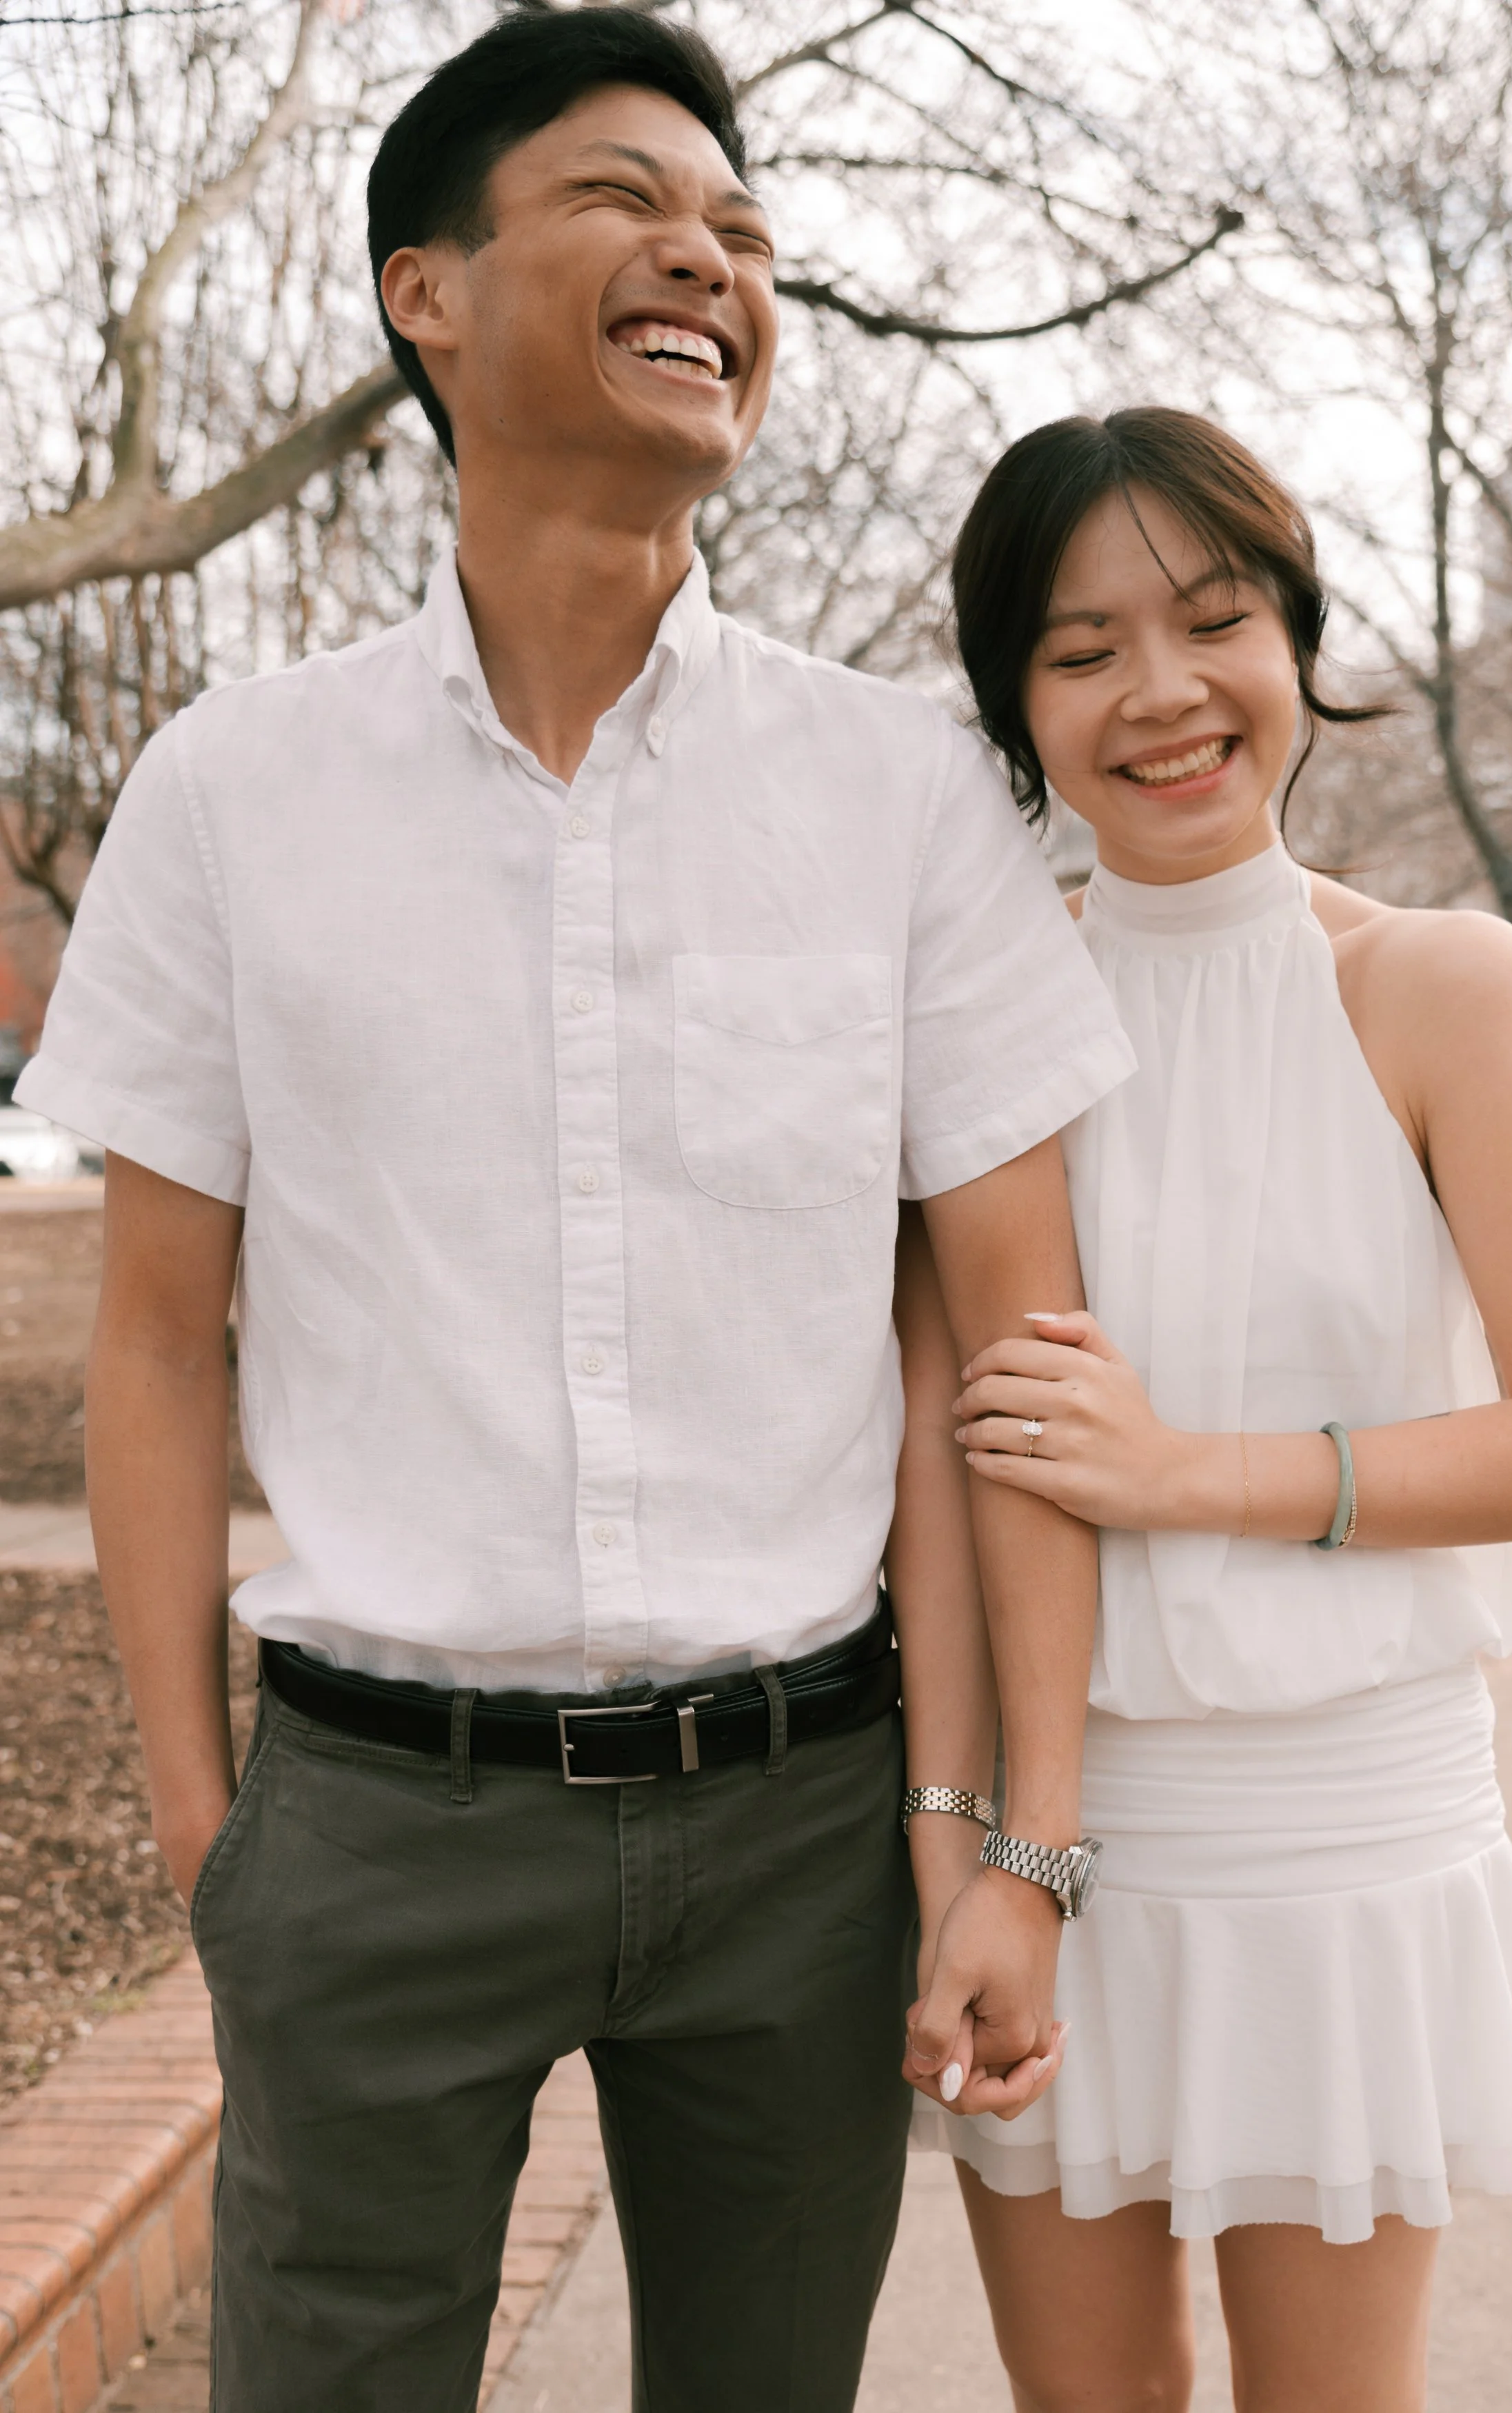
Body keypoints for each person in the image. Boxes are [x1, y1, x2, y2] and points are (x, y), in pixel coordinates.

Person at [14, 16, 1137, 2409]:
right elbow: (155, 1342)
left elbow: (1018, 1367)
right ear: (428, 289)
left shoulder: (903, 794)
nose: (712, 260)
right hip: (372, 1823)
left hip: (806, 1833)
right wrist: (218, 1836)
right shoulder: (231, 791)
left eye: (744, 230)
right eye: (629, 199)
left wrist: (1010, 1850)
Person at [898, 407, 1512, 2413]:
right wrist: (959, 1848)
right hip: (1060, 1845)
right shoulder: (978, 1024)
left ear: (1292, 639)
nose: (1160, 692)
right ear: (1013, 705)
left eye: (1212, 619)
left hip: (1346, 1828)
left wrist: (1186, 1474)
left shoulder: (1440, 985)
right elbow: (950, 1472)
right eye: (1079, 652)